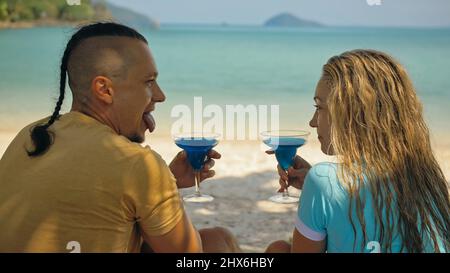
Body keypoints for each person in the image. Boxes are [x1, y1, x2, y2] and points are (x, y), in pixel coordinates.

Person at [0, 22, 240, 253]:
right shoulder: (137, 163)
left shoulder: (32, 133)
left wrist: (168, 182)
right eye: (149, 82)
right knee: (220, 241)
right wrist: (161, 183)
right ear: (104, 90)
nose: (160, 95)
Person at [265, 50, 449, 253]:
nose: (313, 122)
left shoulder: (323, 180)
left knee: (278, 249)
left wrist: (319, 185)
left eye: (319, 107)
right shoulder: (428, 182)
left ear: (350, 113)